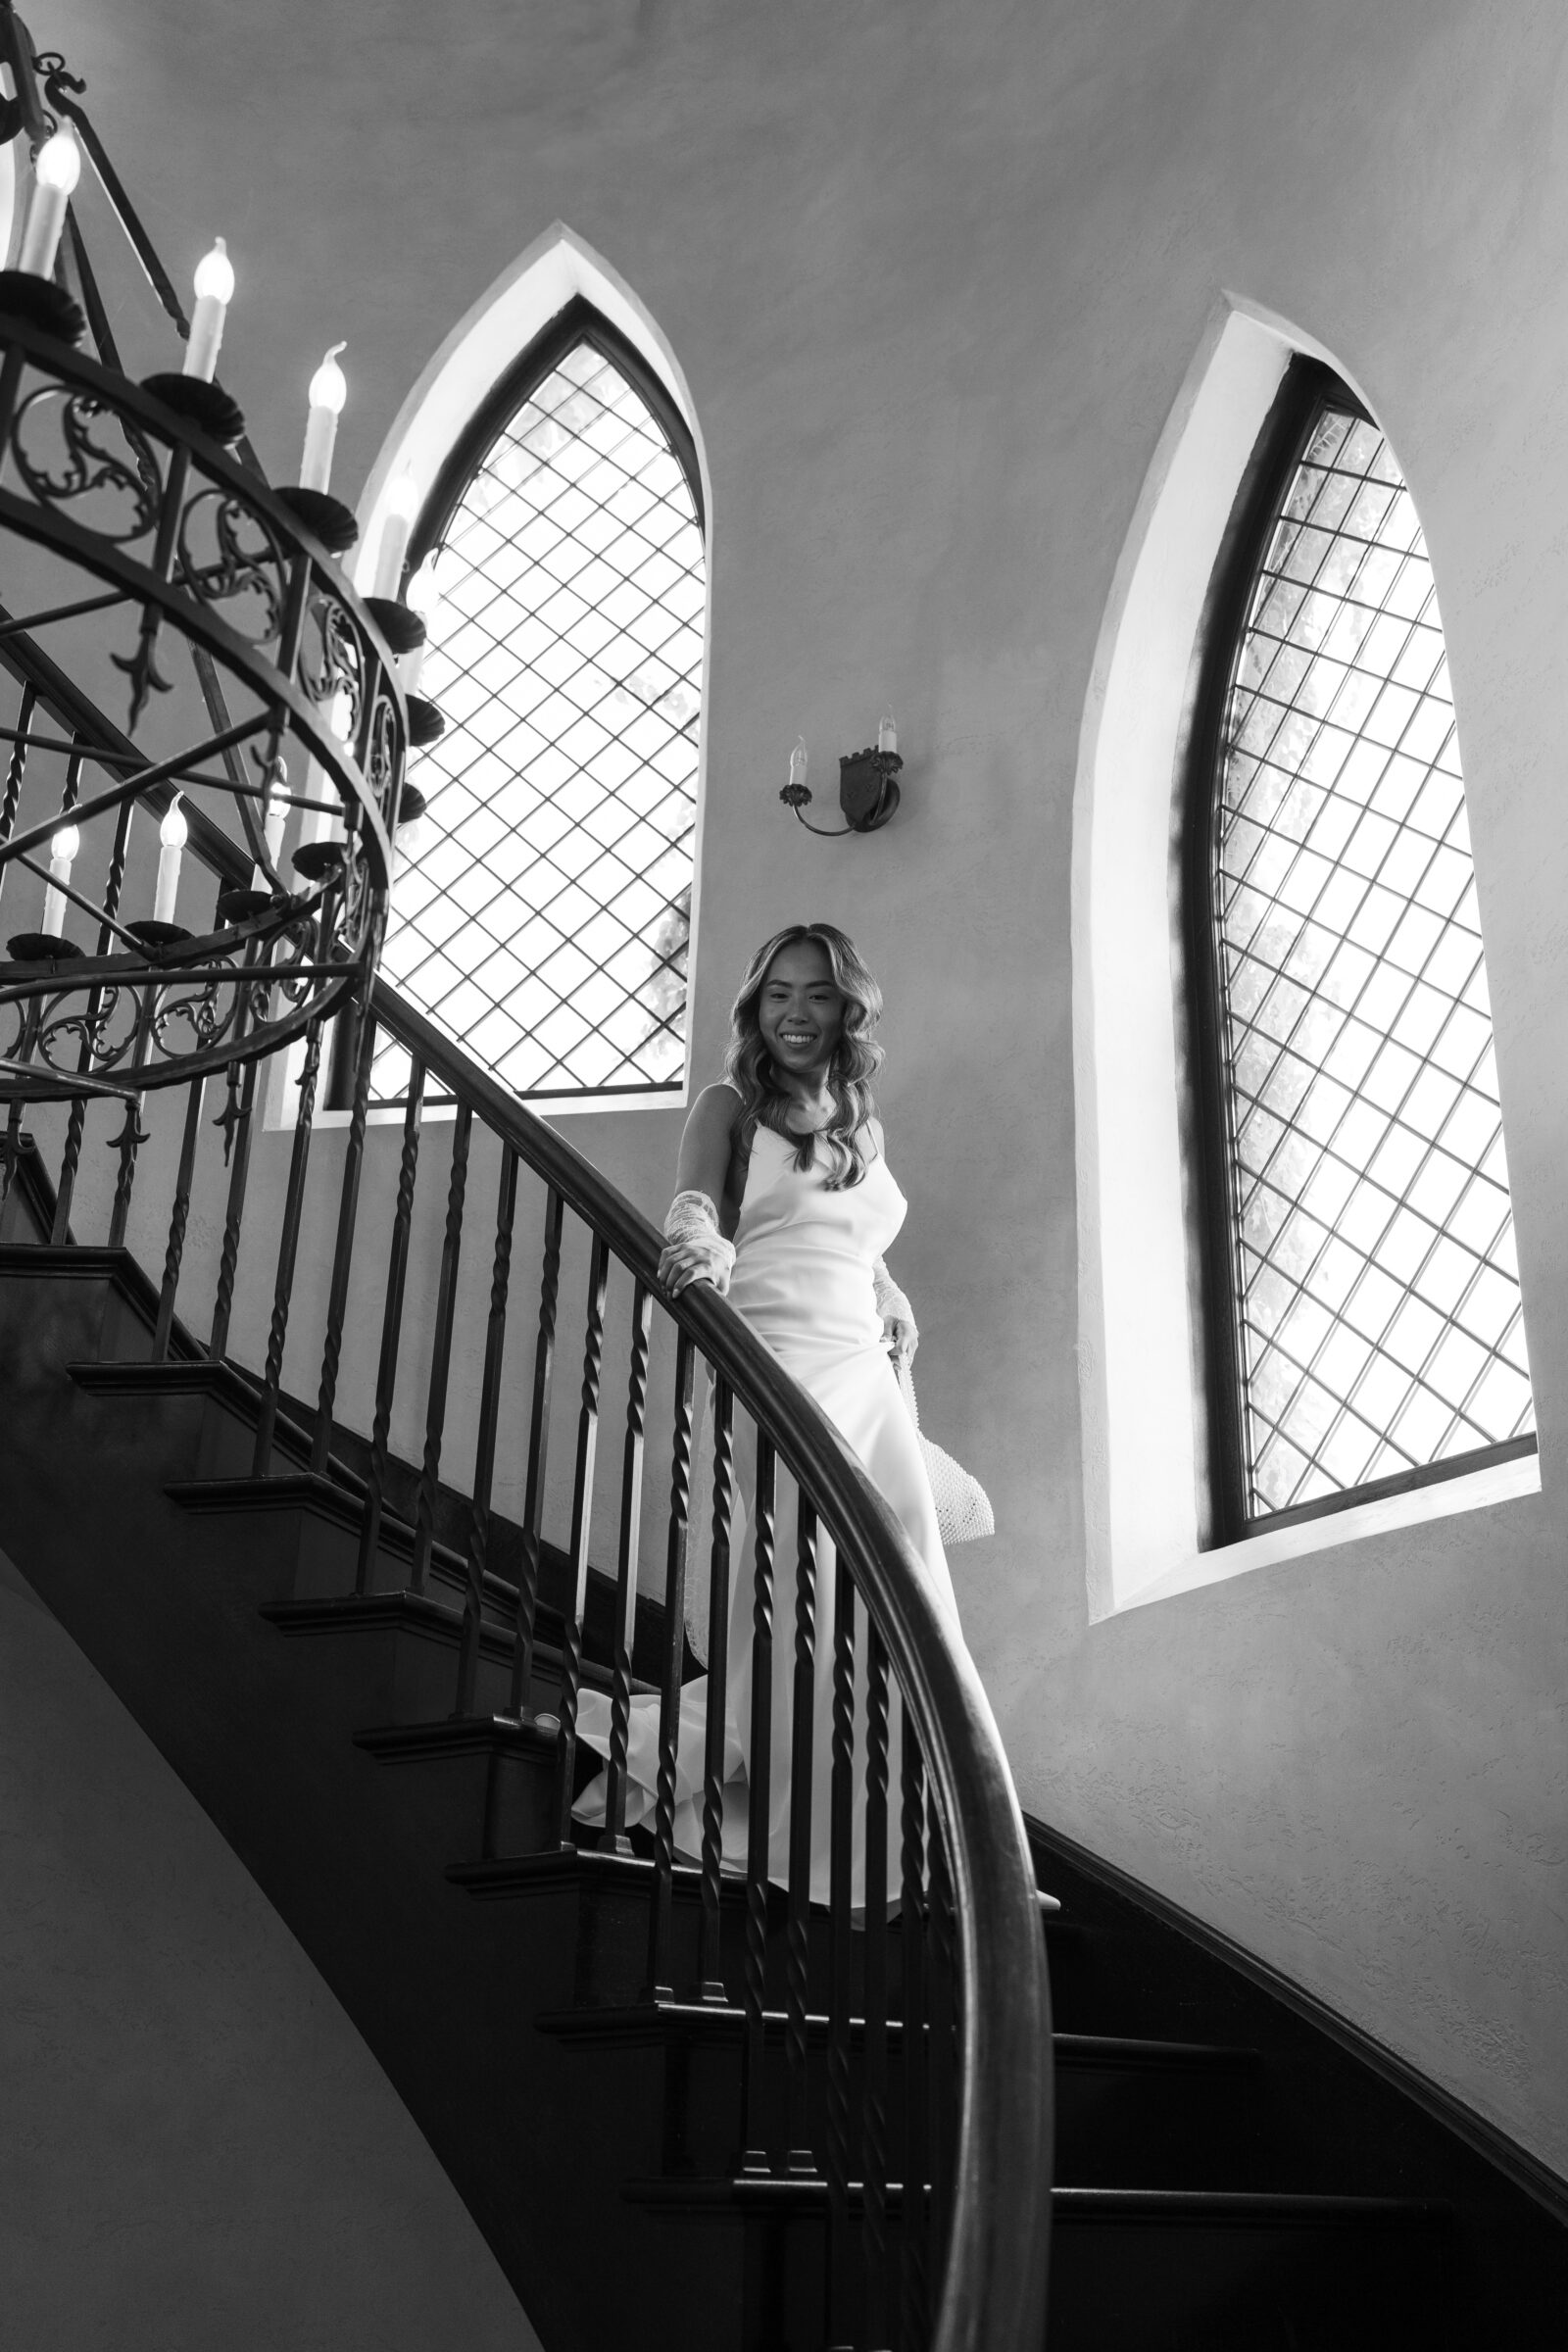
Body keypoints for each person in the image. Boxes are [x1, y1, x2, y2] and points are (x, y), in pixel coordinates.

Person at [572, 922, 964, 1899]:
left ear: (847, 1011)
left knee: (910, 1598)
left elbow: (853, 1236)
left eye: (818, 994)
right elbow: (696, 1205)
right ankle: (815, 1836)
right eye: (779, 993)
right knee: (807, 1596)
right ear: (756, 1005)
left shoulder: (858, 1119)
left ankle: (918, 1838)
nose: (797, 1011)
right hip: (772, 1364)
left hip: (865, 1375)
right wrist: (698, 1250)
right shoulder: (728, 1106)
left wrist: (891, 1293)